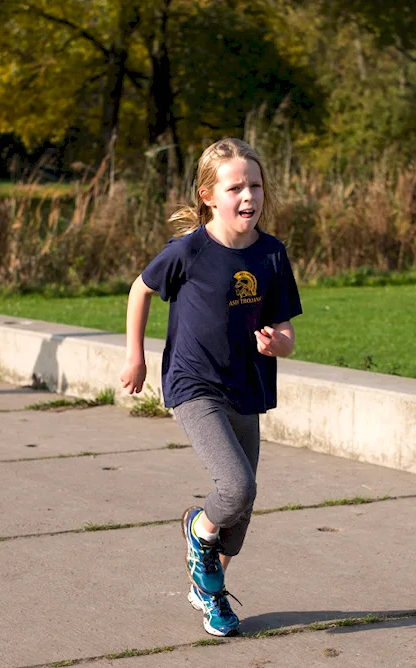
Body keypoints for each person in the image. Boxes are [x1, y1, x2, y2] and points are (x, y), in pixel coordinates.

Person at [119, 137, 302, 637]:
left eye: (256, 186)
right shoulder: (190, 250)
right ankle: (197, 527)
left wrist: (277, 344)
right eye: (236, 187)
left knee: (240, 516)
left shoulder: (271, 254)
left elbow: (285, 330)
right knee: (235, 487)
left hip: (247, 384)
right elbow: (141, 289)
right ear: (208, 195)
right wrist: (135, 355)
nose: (249, 197)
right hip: (194, 383)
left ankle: (207, 587)